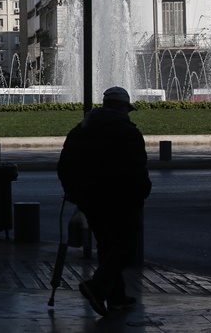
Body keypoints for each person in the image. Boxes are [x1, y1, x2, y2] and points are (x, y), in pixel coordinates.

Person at [57, 86, 152, 317]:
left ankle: (117, 298)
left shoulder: (80, 130)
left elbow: (64, 165)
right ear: (121, 107)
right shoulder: (127, 132)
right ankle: (97, 286)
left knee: (107, 246)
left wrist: (72, 192)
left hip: (89, 200)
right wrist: (142, 192)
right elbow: (136, 169)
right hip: (120, 200)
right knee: (126, 249)